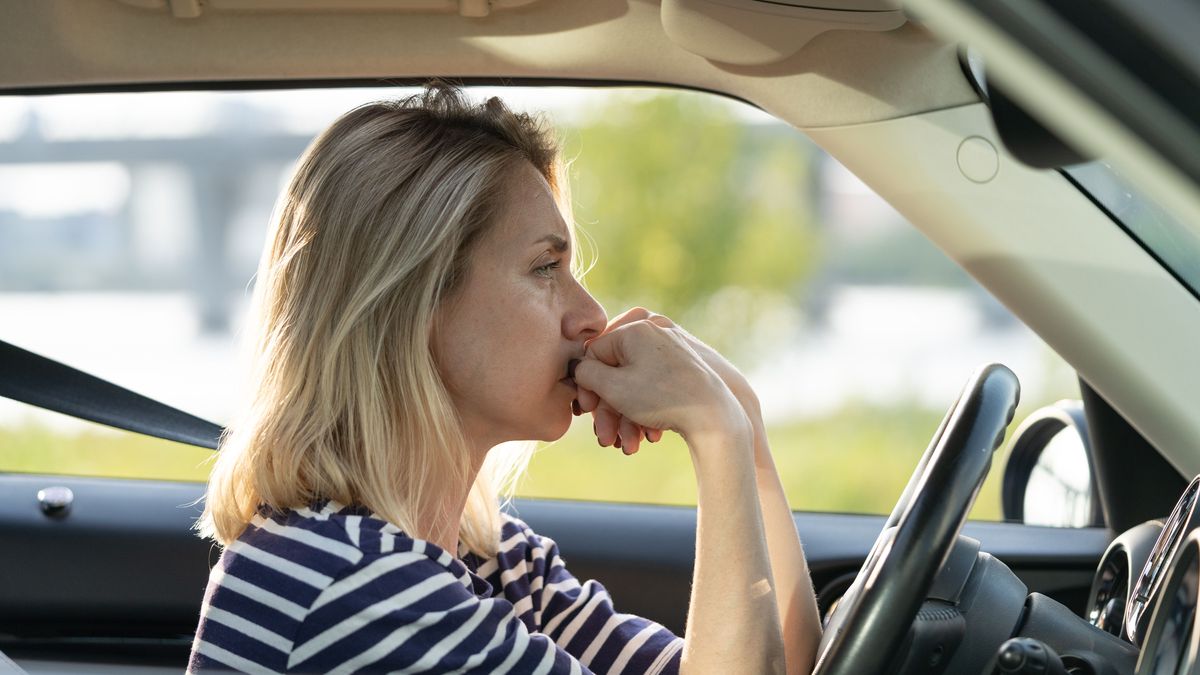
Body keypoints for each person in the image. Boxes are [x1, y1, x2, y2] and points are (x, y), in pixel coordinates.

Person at [188, 83, 822, 674]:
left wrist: (746, 429)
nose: (591, 315)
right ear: (416, 302)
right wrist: (717, 438)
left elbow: (778, 664)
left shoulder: (490, 560)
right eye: (545, 267)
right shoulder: (358, 586)